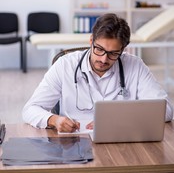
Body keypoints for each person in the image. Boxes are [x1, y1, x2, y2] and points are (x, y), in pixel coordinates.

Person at [22, 13, 173, 132]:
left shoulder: (135, 65)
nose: (103, 59)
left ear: (123, 50)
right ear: (91, 40)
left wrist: (117, 120)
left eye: (113, 53)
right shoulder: (65, 65)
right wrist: (54, 120)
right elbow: (30, 109)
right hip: (75, 143)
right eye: (99, 49)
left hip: (121, 141)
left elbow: (165, 110)